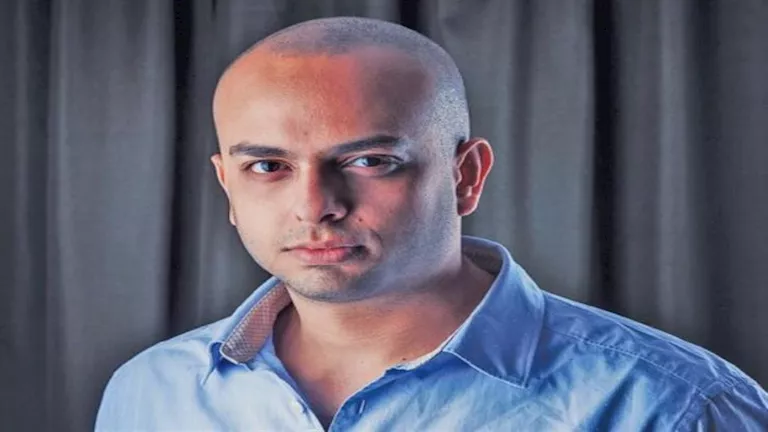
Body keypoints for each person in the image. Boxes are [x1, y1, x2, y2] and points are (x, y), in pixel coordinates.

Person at [95, 16, 768, 431]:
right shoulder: (152, 393)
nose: (315, 205)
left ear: (466, 175)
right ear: (228, 187)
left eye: (369, 161)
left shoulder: (674, 408)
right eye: (268, 167)